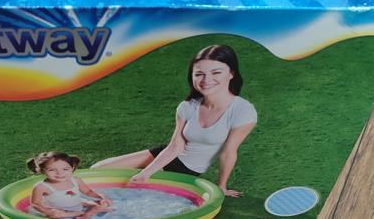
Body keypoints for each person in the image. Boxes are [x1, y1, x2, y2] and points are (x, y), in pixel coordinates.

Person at [92, 45, 257, 197]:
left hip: (186, 169)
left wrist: (221, 186)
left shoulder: (242, 111)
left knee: (134, 193)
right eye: (199, 74)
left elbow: (228, 153)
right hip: (165, 154)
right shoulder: (188, 106)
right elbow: (175, 146)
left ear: (231, 73)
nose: (206, 80)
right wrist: (146, 172)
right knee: (97, 170)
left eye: (216, 72)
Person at [26, 151, 112, 219]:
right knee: (55, 215)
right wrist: (48, 211)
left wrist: (100, 197)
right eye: (51, 170)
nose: (60, 173)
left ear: (72, 168)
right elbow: (35, 203)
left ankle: (87, 213)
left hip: (78, 205)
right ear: (42, 171)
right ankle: (82, 214)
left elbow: (88, 192)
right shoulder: (41, 186)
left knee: (103, 203)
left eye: (65, 169)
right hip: (59, 210)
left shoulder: (76, 180)